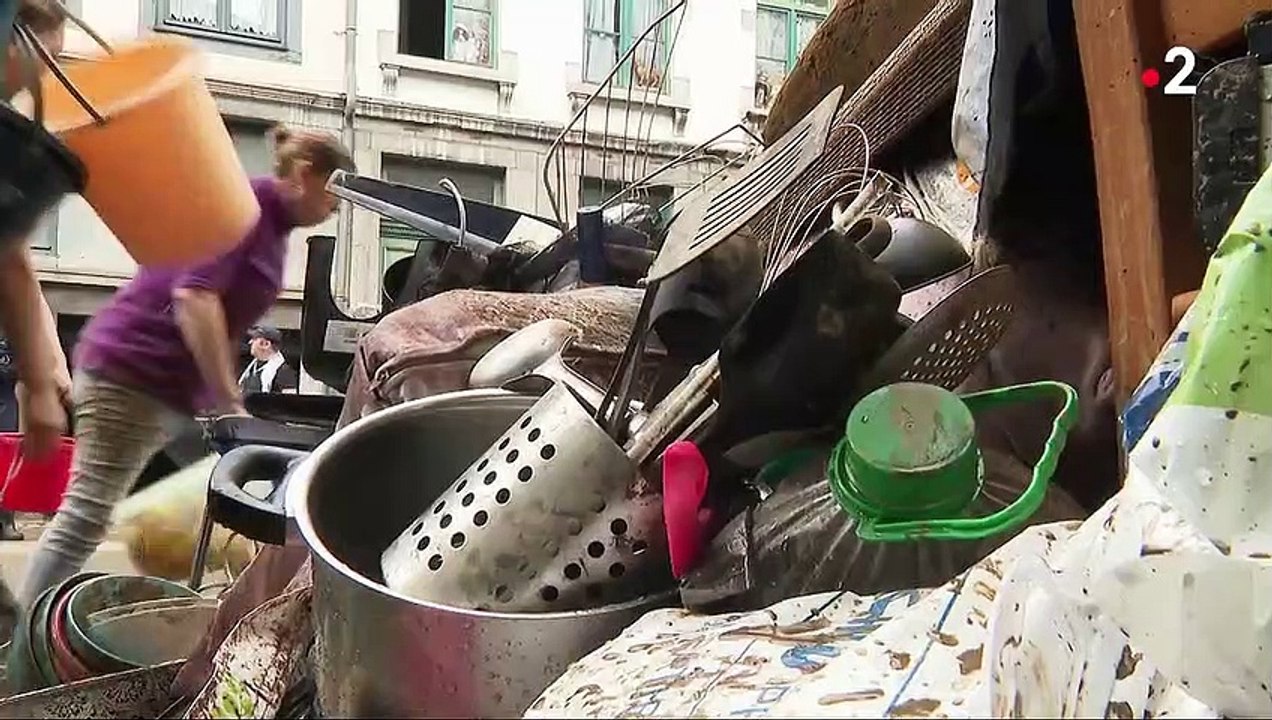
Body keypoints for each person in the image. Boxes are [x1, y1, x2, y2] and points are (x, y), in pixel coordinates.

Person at [18, 125, 354, 610]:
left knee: (195, 503)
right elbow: (195, 297)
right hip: (133, 372)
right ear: (306, 175)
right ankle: (17, 640)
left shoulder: (270, 227)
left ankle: (182, 609)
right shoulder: (246, 211)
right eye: (333, 195)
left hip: (163, 389)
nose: (334, 210)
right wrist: (227, 396)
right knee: (86, 515)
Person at [238, 325, 298, 395]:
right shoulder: (249, 368)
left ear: (266, 344)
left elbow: (288, 402)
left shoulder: (285, 373)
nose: (250, 342)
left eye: (254, 339)